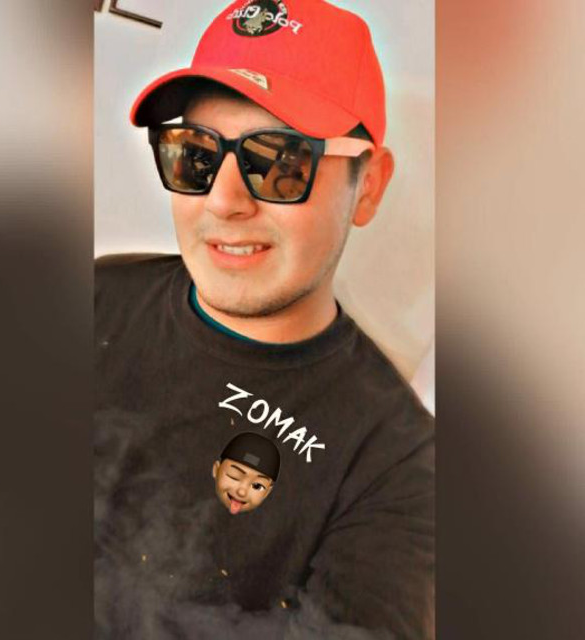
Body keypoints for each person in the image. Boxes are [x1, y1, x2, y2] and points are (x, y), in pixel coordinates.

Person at [95, 1, 434, 638]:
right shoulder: (100, 292)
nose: (223, 201)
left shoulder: (399, 463)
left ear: (367, 185)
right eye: (196, 153)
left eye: (279, 161)